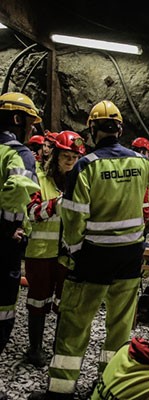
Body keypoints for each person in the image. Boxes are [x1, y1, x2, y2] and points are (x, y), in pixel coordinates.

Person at [29, 100, 149, 400]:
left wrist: (74, 251)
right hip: (130, 260)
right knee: (120, 330)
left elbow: (73, 216)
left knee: (74, 325)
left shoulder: (86, 166)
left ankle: (60, 391)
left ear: (93, 129)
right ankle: (108, 386)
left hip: (92, 259)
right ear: (120, 129)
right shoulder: (140, 161)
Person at [23, 131, 86, 368]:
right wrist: (58, 203)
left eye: (74, 157)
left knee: (64, 303)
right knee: (38, 302)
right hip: (40, 252)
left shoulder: (79, 181)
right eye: (66, 156)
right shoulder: (38, 178)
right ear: (56, 155)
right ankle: (35, 349)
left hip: (66, 254)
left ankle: (58, 349)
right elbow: (31, 212)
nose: (70, 161)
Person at [0, 92, 42, 369]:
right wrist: (10, 228)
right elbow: (18, 191)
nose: (33, 128)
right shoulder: (18, 153)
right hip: (3, 248)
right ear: (18, 119)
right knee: (2, 313)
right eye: (30, 121)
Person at [130, 136, 149, 225]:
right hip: (139, 215)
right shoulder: (143, 168)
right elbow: (144, 197)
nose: (148, 155)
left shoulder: (128, 164)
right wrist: (147, 214)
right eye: (148, 152)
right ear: (142, 151)